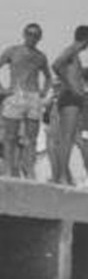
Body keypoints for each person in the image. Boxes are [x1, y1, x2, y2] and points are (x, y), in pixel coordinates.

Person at [0, 23, 52, 178]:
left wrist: (43, 91)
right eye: (30, 33)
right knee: (10, 136)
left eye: (36, 35)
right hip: (16, 93)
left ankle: (29, 169)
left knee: (32, 137)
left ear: (40, 37)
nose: (32, 37)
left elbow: (48, 76)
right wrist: (2, 89)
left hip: (33, 95)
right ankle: (9, 170)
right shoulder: (13, 50)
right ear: (24, 33)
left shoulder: (40, 56)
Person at [51, 25, 88, 184]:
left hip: (74, 99)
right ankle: (62, 176)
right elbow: (56, 65)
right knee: (66, 138)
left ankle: (63, 175)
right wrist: (70, 86)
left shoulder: (75, 54)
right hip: (69, 98)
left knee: (71, 138)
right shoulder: (72, 50)